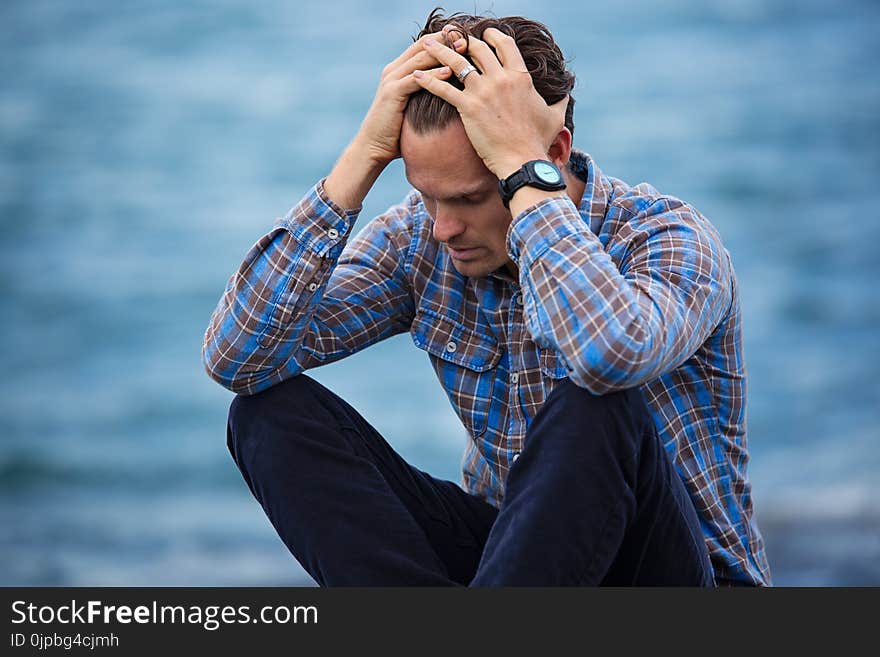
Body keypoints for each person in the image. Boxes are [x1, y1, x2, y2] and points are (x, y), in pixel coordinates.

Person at [202, 8, 772, 586]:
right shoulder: (420, 242)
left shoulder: (667, 239)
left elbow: (608, 355)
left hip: (672, 577)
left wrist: (526, 178)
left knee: (598, 402)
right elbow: (238, 359)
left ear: (551, 154)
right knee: (266, 416)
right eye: (427, 196)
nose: (443, 227)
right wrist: (362, 157)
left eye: (471, 198)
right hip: (516, 565)